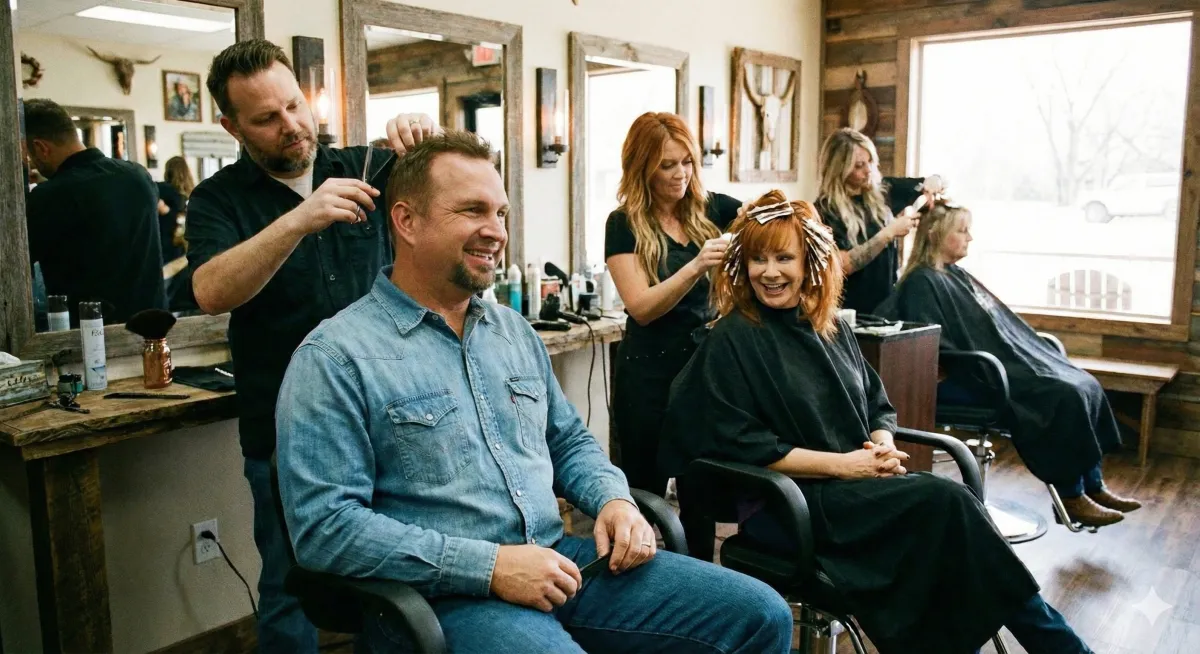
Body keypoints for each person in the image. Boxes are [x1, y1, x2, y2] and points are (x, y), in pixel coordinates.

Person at [275, 130, 793, 654]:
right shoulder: (335, 357)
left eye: (500, 213)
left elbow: (567, 441)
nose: (496, 231)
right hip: (443, 597)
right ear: (406, 221)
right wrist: (491, 567)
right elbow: (326, 530)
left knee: (760, 615)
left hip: (560, 562)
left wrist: (612, 499)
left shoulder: (512, 332)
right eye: (473, 211)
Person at [660, 190, 1094, 654]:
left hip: (854, 491)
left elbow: (876, 404)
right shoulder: (734, 338)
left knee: (951, 534)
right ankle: (1060, 646)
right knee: (947, 503)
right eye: (757, 259)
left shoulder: (831, 326)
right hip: (789, 504)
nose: (769, 272)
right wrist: (847, 466)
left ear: (810, 260)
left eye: (783, 257)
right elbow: (741, 444)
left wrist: (881, 443)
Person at [185, 38, 438, 653]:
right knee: (288, 585)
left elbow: (460, 200)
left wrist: (425, 135)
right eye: (266, 119)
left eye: (295, 105)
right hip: (285, 431)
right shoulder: (219, 200)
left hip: (390, 415)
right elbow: (212, 291)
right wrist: (299, 219)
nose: (292, 126)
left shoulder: (366, 167)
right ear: (230, 126)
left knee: (408, 571)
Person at [878, 201, 1141, 528]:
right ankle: (1072, 498)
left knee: (1081, 382)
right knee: (1063, 394)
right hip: (974, 376)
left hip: (996, 366)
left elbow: (998, 327)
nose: (970, 238)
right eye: (962, 231)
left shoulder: (954, 274)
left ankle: (1094, 486)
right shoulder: (922, 282)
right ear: (935, 234)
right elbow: (936, 346)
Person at [604, 112, 742, 496]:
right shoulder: (623, 224)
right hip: (648, 377)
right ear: (642, 166)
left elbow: (770, 218)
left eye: (687, 162)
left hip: (701, 373)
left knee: (702, 489)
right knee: (644, 490)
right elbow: (641, 307)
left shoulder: (712, 210)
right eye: (667, 165)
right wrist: (698, 265)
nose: (681, 173)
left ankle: (697, 559)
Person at [24, 98, 166, 326]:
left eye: (30, 156)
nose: (32, 164)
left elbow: (18, 263)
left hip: (89, 336)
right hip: (152, 328)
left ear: (41, 148)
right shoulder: (138, 176)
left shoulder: (50, 195)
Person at [815, 127, 946, 314]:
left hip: (885, 308)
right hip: (849, 313)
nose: (868, 170)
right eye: (859, 165)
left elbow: (929, 182)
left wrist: (935, 182)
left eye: (870, 162)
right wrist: (889, 233)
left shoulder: (883, 192)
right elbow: (843, 265)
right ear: (838, 169)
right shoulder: (825, 211)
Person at [158, 156, 196, 311]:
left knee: (162, 295)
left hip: (163, 249)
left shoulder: (161, 190)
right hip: (182, 252)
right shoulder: (192, 195)